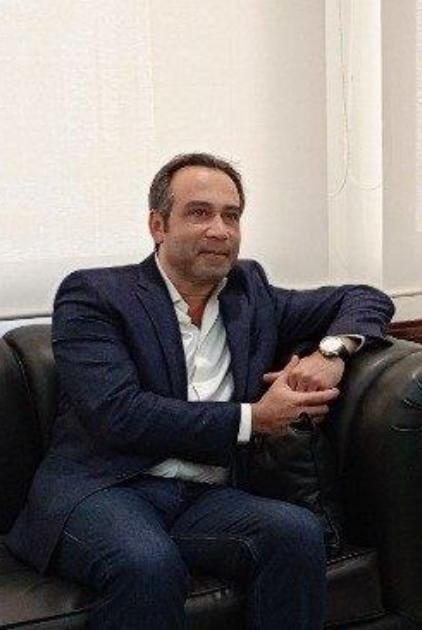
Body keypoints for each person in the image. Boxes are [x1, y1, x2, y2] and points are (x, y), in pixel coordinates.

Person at [6, 153, 395, 629]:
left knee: (295, 532)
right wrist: (254, 419)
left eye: (231, 216)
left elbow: (365, 298)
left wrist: (331, 354)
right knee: (149, 565)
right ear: (158, 225)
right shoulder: (95, 295)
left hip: (203, 496)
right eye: (199, 213)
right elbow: (118, 414)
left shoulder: (251, 293)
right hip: (104, 489)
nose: (220, 230)